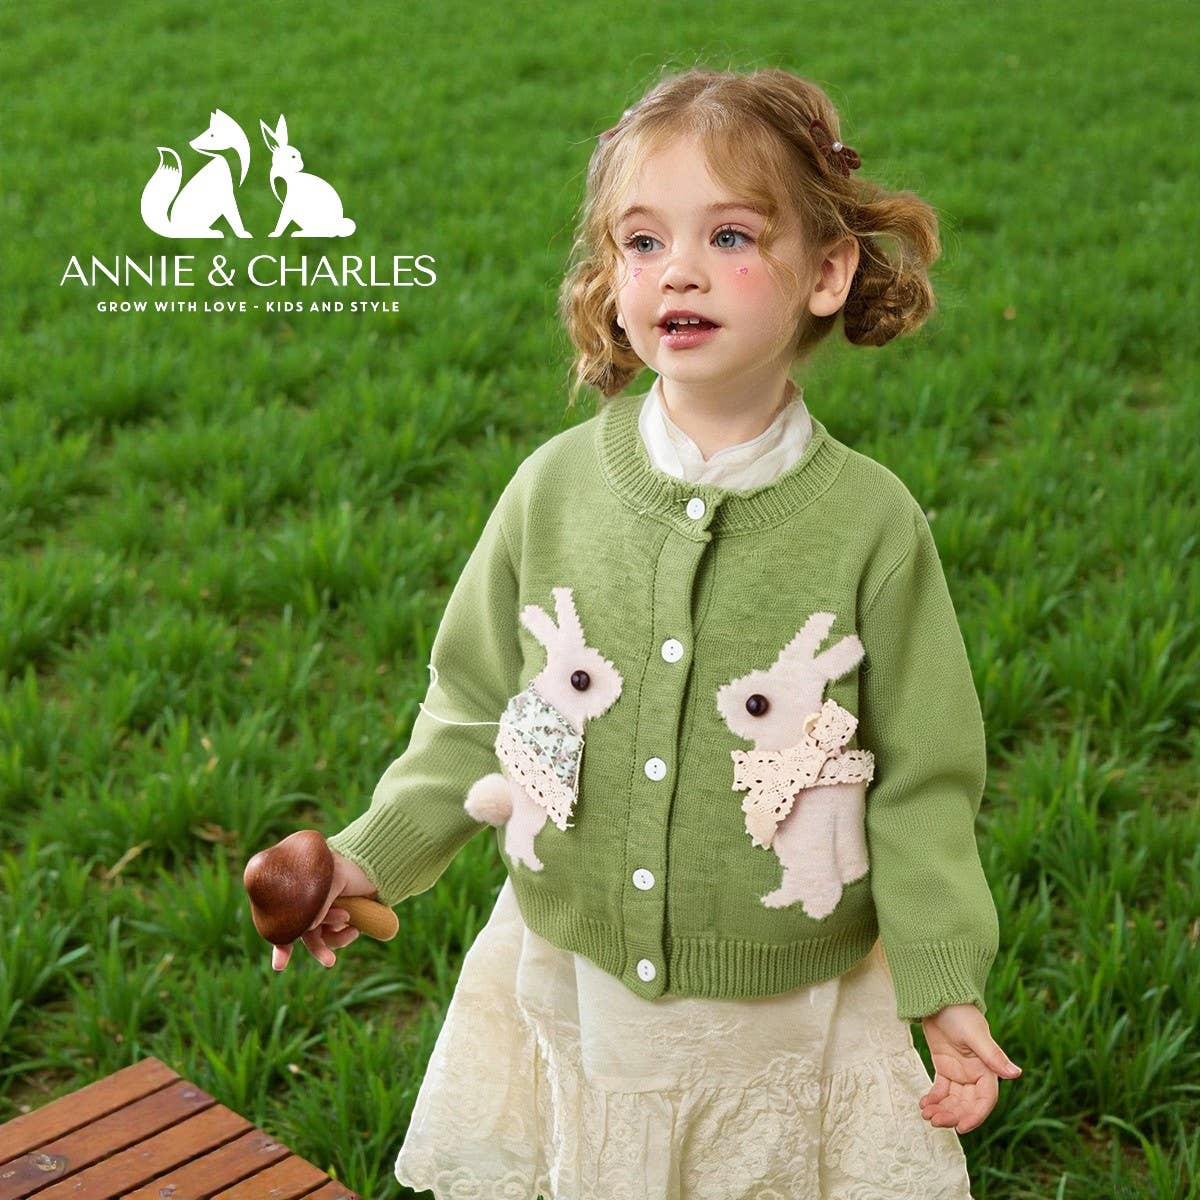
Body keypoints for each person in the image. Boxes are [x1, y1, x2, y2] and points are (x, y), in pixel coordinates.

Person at [261, 66, 1023, 1199]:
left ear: (825, 272)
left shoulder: (872, 526)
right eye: (642, 242)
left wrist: (943, 975)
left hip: (784, 1000)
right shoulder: (553, 490)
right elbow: (478, 709)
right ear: (611, 282)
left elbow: (923, 778)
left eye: (727, 235)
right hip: (581, 969)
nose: (680, 271)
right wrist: (368, 856)